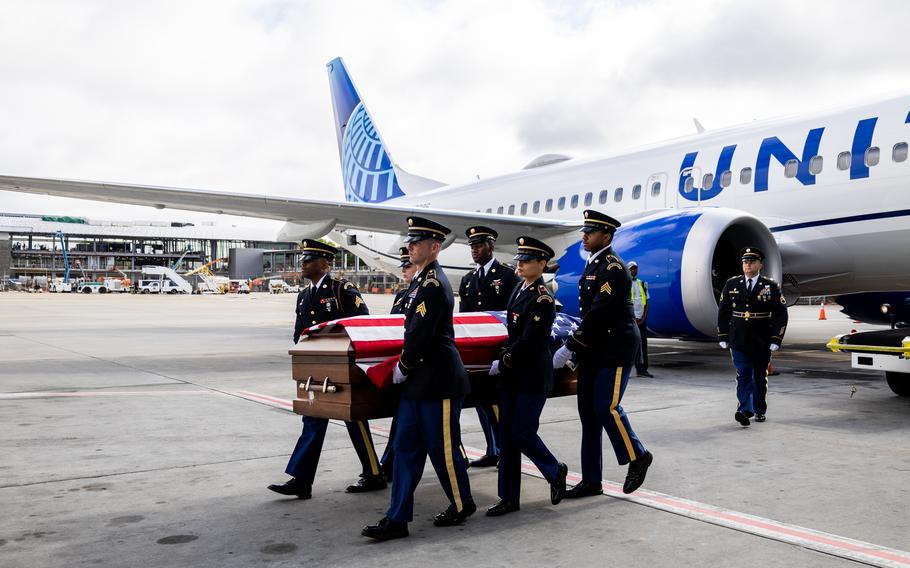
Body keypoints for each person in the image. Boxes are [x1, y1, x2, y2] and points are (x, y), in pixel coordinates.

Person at [362, 217, 475, 541]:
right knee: (405, 447)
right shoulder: (419, 282)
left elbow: (420, 336)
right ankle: (397, 518)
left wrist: (402, 368)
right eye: (410, 241)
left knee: (443, 449)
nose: (410, 246)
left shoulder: (433, 285)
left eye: (417, 242)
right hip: (418, 381)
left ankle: (461, 502)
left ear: (434, 247)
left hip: (437, 381)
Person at [268, 240, 386, 499]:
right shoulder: (304, 295)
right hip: (317, 370)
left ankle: (374, 474)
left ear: (323, 263)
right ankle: (301, 480)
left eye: (308, 260)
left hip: (344, 368)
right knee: (313, 418)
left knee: (354, 419)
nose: (303, 264)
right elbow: (300, 334)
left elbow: (361, 325)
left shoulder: (342, 289)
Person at [552, 210, 654, 497]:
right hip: (595, 350)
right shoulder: (594, 264)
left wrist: (570, 346)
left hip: (615, 349)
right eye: (585, 231)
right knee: (589, 415)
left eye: (591, 231)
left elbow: (599, 314)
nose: (584, 235)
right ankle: (591, 480)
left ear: (606, 236)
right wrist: (577, 350)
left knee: (606, 407)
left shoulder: (613, 267)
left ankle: (638, 455)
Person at [485, 236, 568, 517]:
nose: (519, 264)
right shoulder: (519, 289)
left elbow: (531, 340)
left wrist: (505, 359)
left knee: (522, 432)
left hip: (532, 374)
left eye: (526, 260)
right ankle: (508, 497)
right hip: (513, 375)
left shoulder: (542, 298)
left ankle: (554, 470)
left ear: (541, 264)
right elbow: (513, 332)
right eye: (519, 259)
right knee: (507, 436)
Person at [458, 225, 519, 468]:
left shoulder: (506, 275)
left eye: (479, 245)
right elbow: (463, 318)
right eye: (472, 246)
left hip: (499, 349)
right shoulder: (468, 280)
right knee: (482, 402)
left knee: (497, 403)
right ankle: (493, 449)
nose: (475, 250)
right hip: (477, 351)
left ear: (491, 246)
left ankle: (505, 449)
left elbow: (514, 312)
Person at [717, 247, 788, 426]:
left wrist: (776, 339)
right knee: (743, 374)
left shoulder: (770, 286)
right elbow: (724, 311)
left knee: (759, 376)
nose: (748, 264)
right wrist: (723, 335)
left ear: (760, 265)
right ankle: (744, 409)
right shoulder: (731, 284)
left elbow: (781, 313)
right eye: (745, 261)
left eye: (752, 261)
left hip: (761, 338)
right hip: (738, 337)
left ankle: (759, 409)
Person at [379, 246, 418, 481]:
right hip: (402, 363)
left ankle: (389, 463)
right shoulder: (402, 296)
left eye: (407, 265)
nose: (403, 270)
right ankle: (389, 462)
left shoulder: (426, 292)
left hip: (414, 365)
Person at [629, 261, 653, 378]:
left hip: (641, 320)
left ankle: (642, 369)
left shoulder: (642, 284)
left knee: (642, 344)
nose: (633, 270)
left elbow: (646, 301)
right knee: (627, 345)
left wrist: (643, 317)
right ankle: (625, 370)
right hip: (630, 320)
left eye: (635, 268)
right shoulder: (624, 285)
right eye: (631, 269)